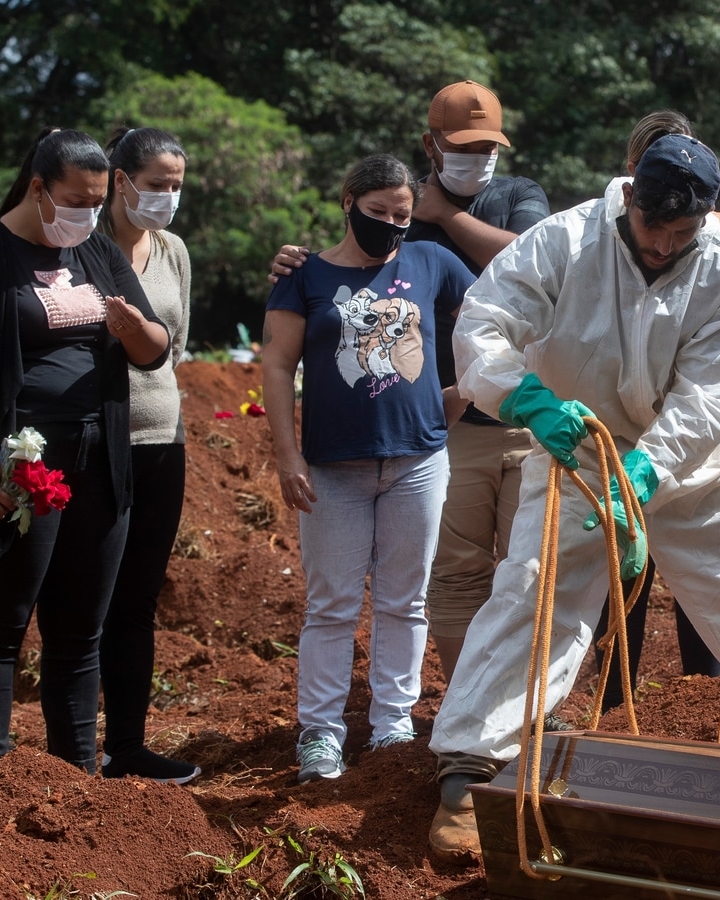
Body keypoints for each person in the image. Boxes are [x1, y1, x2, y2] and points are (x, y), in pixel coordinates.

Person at [427, 134, 720, 858]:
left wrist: (646, 474)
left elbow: (710, 399)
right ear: (631, 199)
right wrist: (522, 397)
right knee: (535, 591)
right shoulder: (566, 240)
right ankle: (468, 769)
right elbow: (485, 320)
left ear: (705, 220)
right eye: (654, 227)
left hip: (693, 465)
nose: (663, 245)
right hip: (578, 446)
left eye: (682, 233)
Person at [270, 81, 550, 686]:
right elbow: (337, 283)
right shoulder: (398, 216)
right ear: (432, 144)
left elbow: (532, 264)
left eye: (488, 146)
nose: (478, 157)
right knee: (447, 577)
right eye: (462, 145)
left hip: (526, 422)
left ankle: (523, 703)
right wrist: (299, 266)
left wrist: (442, 215)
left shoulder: (515, 197)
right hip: (443, 433)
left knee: (527, 571)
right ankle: (457, 701)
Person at [0, 127, 171, 775]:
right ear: (38, 188)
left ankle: (75, 777)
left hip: (99, 461)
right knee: (1, 624)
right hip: (18, 467)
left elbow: (155, 349)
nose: (87, 215)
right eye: (75, 200)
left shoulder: (96, 253)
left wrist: (134, 327)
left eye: (96, 203)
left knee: (79, 632)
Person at [262, 154, 475, 784]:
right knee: (330, 604)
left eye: (401, 215)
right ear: (347, 202)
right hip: (333, 467)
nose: (388, 224)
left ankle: (392, 726)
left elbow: (491, 318)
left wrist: (460, 393)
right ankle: (321, 734)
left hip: (417, 460)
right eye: (376, 212)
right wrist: (286, 453)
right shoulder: (305, 275)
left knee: (405, 602)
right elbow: (277, 364)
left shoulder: (432, 262)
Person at [591, 109, 720, 712]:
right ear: (634, 176)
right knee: (625, 560)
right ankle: (613, 698)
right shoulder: (604, 232)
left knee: (700, 565)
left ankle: (698, 700)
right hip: (625, 426)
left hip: (698, 431)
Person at [95, 126, 200, 783]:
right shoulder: (82, 247)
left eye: (176, 188)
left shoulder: (173, 251)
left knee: (136, 601)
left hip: (162, 441)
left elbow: (177, 343)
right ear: (120, 181)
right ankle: (75, 744)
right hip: (94, 442)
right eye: (156, 185)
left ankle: (127, 747)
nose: (166, 198)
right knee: (85, 597)